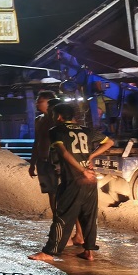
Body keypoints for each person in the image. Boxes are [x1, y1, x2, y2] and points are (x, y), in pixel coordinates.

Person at [28, 102, 112, 262]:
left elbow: (63, 152)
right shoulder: (86, 130)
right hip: (91, 180)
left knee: (62, 216)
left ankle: (49, 252)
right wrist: (90, 157)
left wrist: (81, 171)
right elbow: (109, 142)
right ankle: (89, 251)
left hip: (74, 179)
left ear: (59, 116)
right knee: (89, 216)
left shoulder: (56, 131)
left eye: (53, 116)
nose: (52, 118)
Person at [28, 91, 87, 245]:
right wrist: (33, 163)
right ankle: (61, 230)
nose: (37, 103)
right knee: (53, 198)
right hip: (43, 162)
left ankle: (77, 233)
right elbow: (37, 141)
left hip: (58, 163)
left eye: (40, 100)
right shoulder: (39, 120)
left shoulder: (59, 121)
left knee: (66, 199)